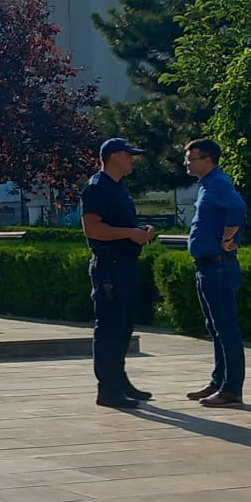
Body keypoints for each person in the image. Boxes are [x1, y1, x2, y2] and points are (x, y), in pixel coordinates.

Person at [80, 137, 156, 410]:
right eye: (128, 154)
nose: (132, 159)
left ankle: (119, 380)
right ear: (113, 157)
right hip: (109, 268)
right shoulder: (97, 188)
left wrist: (139, 230)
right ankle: (107, 389)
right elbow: (92, 229)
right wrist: (128, 233)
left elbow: (119, 223)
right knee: (110, 328)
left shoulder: (118, 187)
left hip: (125, 265)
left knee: (124, 327)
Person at [184, 137, 249, 407]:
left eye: (191, 158)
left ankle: (231, 388)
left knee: (226, 328)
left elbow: (238, 207)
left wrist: (227, 237)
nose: (186, 163)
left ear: (208, 160)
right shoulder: (207, 185)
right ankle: (218, 381)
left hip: (218, 264)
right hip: (207, 265)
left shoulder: (219, 183)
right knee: (216, 327)